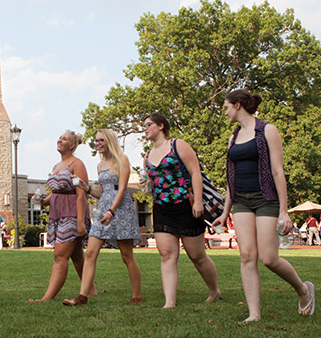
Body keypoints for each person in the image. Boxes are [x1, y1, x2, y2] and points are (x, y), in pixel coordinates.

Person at [213, 89, 314, 322]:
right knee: (247, 255)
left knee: (269, 258)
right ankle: (254, 314)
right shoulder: (233, 137)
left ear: (238, 105)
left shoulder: (267, 130)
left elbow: (278, 171)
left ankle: (303, 289)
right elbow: (231, 177)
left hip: (265, 198)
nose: (225, 112)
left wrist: (283, 210)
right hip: (241, 201)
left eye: (227, 106)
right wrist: (225, 211)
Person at [141, 113, 220, 309]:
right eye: (144, 126)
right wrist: (147, 184)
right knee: (167, 254)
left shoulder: (178, 145)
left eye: (148, 124)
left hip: (186, 205)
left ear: (161, 126)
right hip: (161, 208)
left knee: (197, 256)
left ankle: (214, 291)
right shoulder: (147, 156)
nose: (145, 128)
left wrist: (198, 202)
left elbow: (195, 173)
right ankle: (170, 302)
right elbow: (154, 183)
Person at [63, 129, 142, 306]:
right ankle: (82, 296)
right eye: (96, 141)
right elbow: (102, 193)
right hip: (103, 210)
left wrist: (111, 212)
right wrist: (87, 188)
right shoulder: (99, 166)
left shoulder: (122, 159)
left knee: (126, 255)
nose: (97, 144)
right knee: (90, 253)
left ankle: (137, 295)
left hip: (121, 210)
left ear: (109, 141)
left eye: (100, 141)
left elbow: (121, 190)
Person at [29, 130, 94, 302]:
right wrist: (44, 202)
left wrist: (80, 222)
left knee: (59, 256)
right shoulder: (56, 166)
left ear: (72, 145)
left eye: (64, 139)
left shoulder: (77, 164)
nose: (59, 140)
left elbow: (81, 194)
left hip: (72, 215)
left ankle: (46, 298)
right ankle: (92, 291)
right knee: (77, 256)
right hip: (58, 215)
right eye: (59, 137)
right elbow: (57, 192)